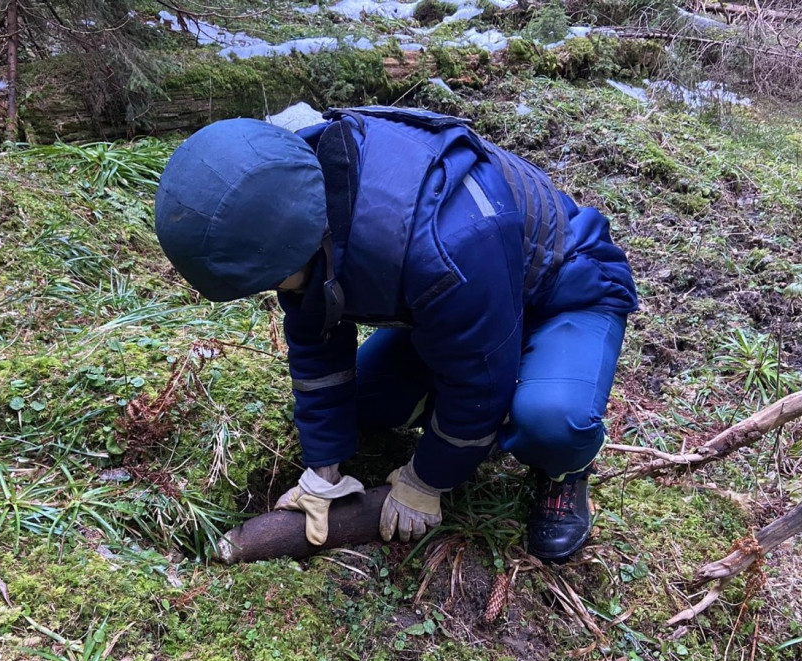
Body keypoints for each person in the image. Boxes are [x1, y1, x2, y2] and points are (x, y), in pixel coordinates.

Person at [154, 106, 638, 562]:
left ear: (303, 241)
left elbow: (479, 382)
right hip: (469, 304)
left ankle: (564, 468)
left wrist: (427, 480)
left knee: (551, 419)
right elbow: (317, 342)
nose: (276, 289)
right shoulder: (292, 203)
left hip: (563, 291)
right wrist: (323, 468)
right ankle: (488, 423)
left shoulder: (446, 246)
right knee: (367, 401)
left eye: (275, 280)